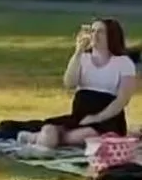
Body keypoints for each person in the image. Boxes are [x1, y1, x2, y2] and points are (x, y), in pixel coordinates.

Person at [17, 19, 136, 151]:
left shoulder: (124, 63)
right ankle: (42, 141)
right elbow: (69, 83)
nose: (95, 35)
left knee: (84, 135)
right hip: (80, 114)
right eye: (92, 31)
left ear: (112, 36)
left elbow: (122, 100)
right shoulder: (83, 58)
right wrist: (78, 52)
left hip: (107, 119)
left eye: (100, 32)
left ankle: (36, 139)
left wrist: (96, 118)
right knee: (49, 129)